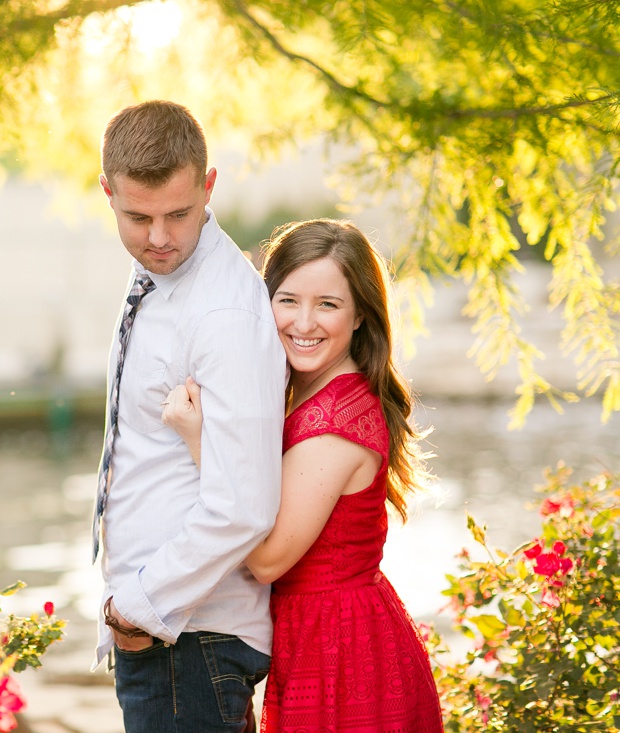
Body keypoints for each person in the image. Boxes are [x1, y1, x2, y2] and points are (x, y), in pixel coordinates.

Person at [163, 218, 444, 732]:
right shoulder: (312, 392)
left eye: (328, 305)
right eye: (288, 300)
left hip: (342, 649)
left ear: (360, 315)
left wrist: (201, 441)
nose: (304, 322)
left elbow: (269, 560)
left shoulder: (334, 422)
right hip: (332, 631)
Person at [91, 99, 287, 732]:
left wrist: (135, 613)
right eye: (137, 217)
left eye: (178, 213)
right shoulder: (157, 271)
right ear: (107, 192)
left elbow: (245, 504)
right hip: (170, 636)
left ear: (208, 186)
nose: (159, 237)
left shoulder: (221, 312)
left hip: (192, 639)